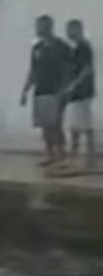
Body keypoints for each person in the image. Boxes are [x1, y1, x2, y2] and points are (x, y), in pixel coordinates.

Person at [20, 14, 72, 166]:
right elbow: (33, 71)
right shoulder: (37, 48)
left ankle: (61, 154)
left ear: (48, 27)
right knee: (44, 124)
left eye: (40, 26)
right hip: (40, 90)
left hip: (55, 90)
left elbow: (68, 69)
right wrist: (25, 90)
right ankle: (50, 154)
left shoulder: (61, 46)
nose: (37, 29)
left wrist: (64, 89)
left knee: (55, 124)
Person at [62, 19, 94, 171]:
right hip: (76, 93)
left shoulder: (83, 47)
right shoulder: (76, 48)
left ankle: (88, 159)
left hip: (82, 92)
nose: (68, 33)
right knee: (75, 126)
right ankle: (74, 157)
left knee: (84, 126)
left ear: (78, 29)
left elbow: (87, 69)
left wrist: (73, 85)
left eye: (70, 29)